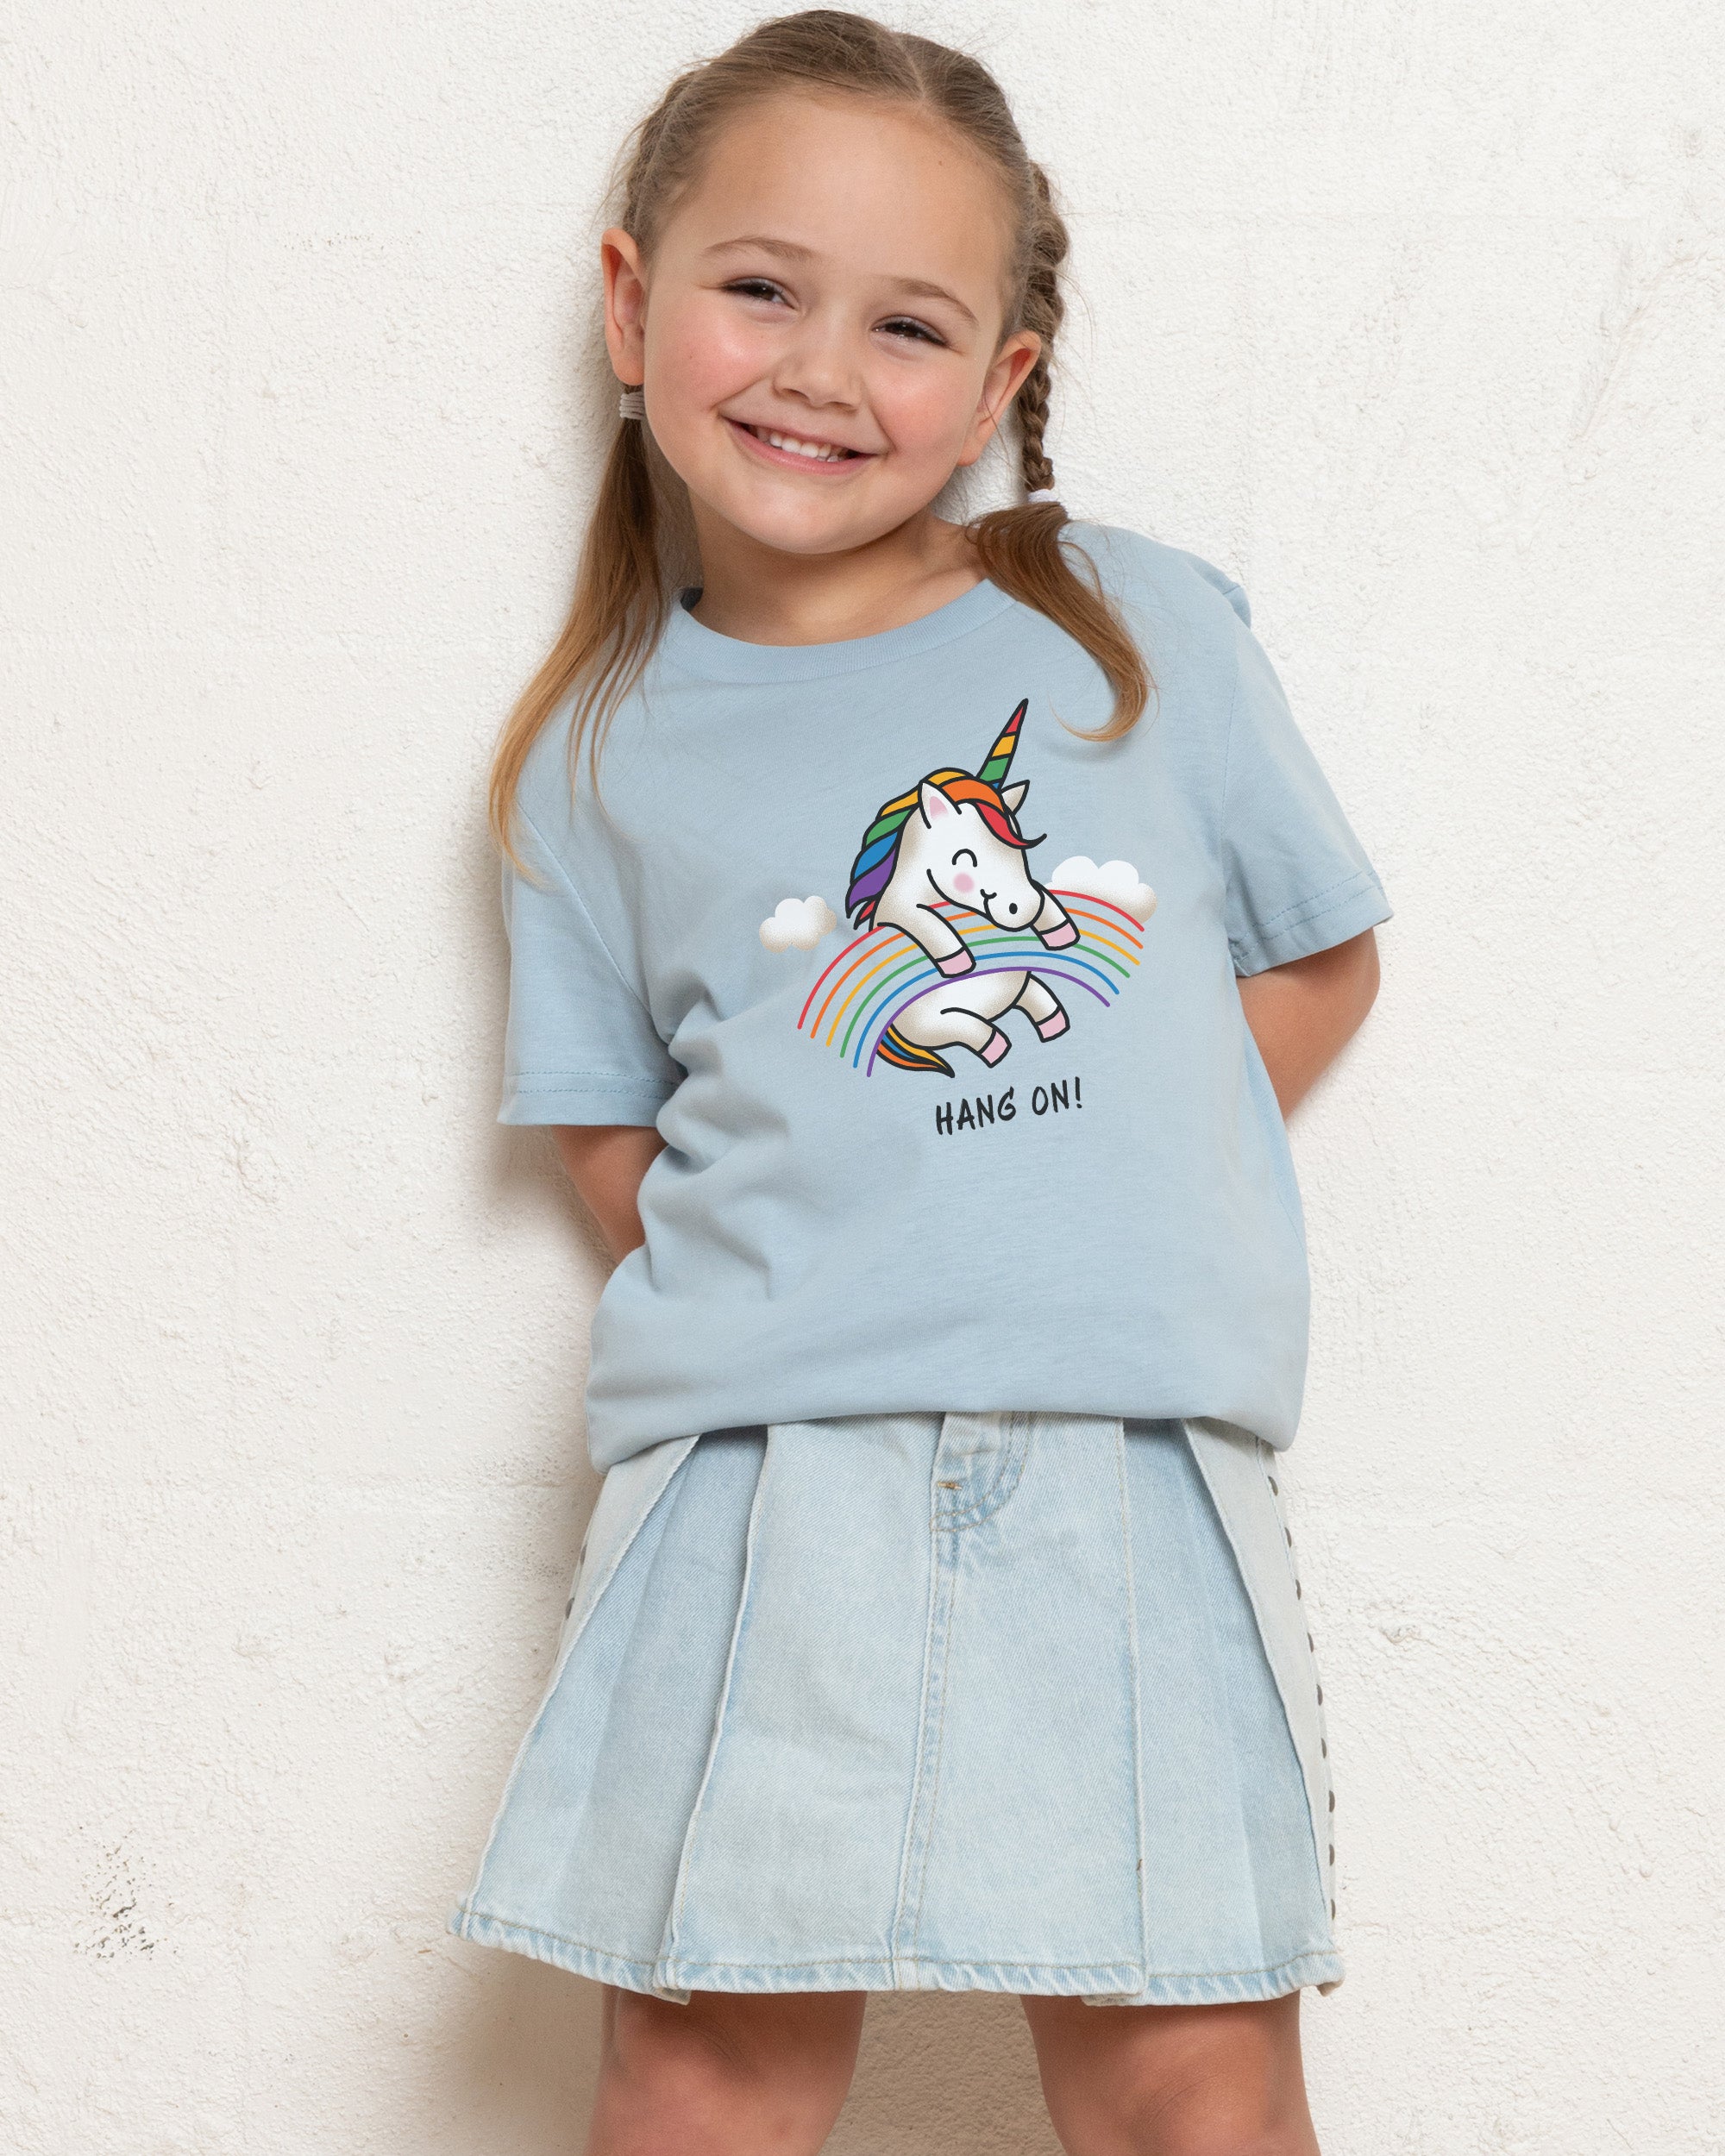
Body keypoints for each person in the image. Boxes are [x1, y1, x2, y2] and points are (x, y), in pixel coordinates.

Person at [448, 12, 1389, 2152]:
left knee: (1190, 2070)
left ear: (999, 379)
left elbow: (1316, 956)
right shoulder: (587, 757)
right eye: (760, 287)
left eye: (906, 323)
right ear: (632, 304)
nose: (818, 368)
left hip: (1126, 1453)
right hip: (754, 1470)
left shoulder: (1133, 627)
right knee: (699, 2068)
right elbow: (613, 1135)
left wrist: (1077, 1169)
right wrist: (863, 1211)